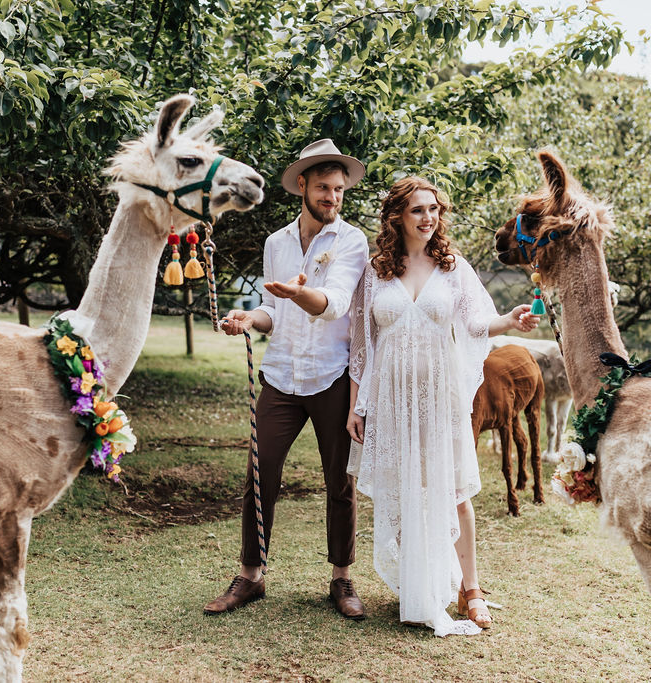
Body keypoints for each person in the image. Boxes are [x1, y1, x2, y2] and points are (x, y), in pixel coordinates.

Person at [346, 176, 539, 636]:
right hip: (392, 400)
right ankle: (421, 585)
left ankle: (470, 589)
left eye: (434, 209)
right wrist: (358, 406)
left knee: (453, 491)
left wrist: (507, 320)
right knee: (403, 488)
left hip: (438, 398)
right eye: (417, 210)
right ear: (397, 216)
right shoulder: (375, 272)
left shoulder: (453, 267)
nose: (428, 218)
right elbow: (361, 345)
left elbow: (475, 322)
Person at [204, 140, 370, 619]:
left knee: (340, 481)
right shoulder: (276, 243)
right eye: (324, 187)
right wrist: (248, 319)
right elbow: (272, 310)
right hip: (280, 377)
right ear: (303, 186)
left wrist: (301, 295)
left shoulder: (351, 241)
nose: (333, 197)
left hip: (331, 376)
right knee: (260, 472)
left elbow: (333, 303)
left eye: (339, 189)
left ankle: (341, 578)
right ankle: (251, 576)